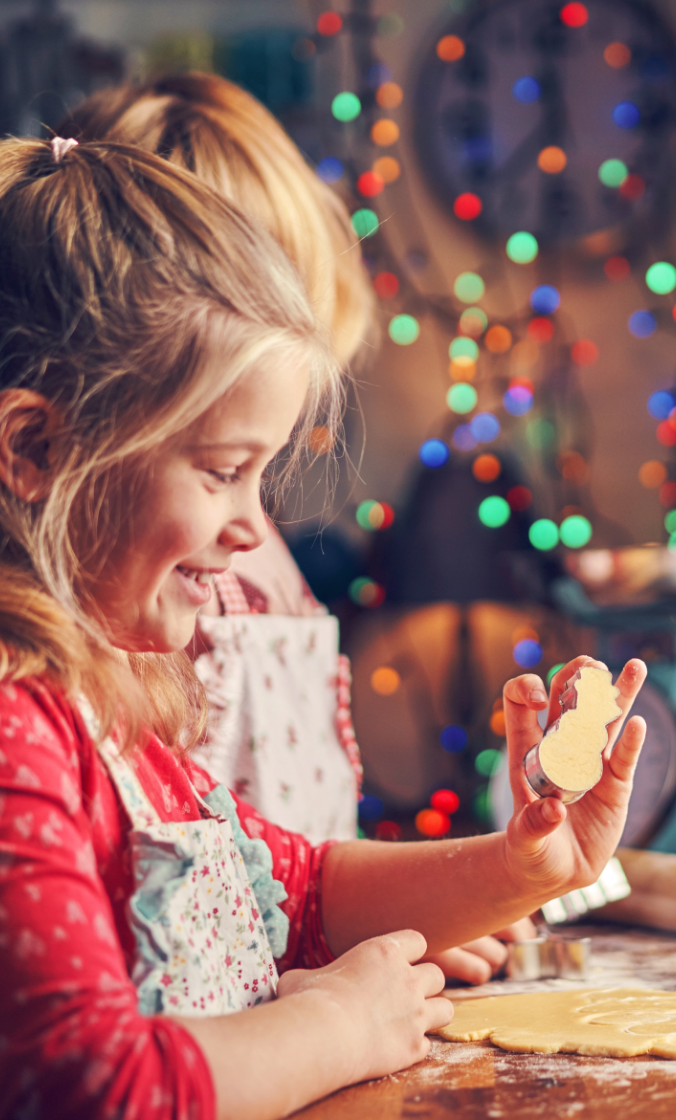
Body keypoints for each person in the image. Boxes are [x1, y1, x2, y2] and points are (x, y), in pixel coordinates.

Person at [0, 136, 649, 1120]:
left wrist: (524, 866)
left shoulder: (95, 691)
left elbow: (300, 893)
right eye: (223, 470)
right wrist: (337, 1027)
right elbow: (86, 1089)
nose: (251, 524)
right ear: (34, 448)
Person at [60, 75, 532, 984]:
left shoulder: (236, 533)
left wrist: (462, 890)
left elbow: (297, 861)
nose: (242, 511)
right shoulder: (152, 581)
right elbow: (173, 907)